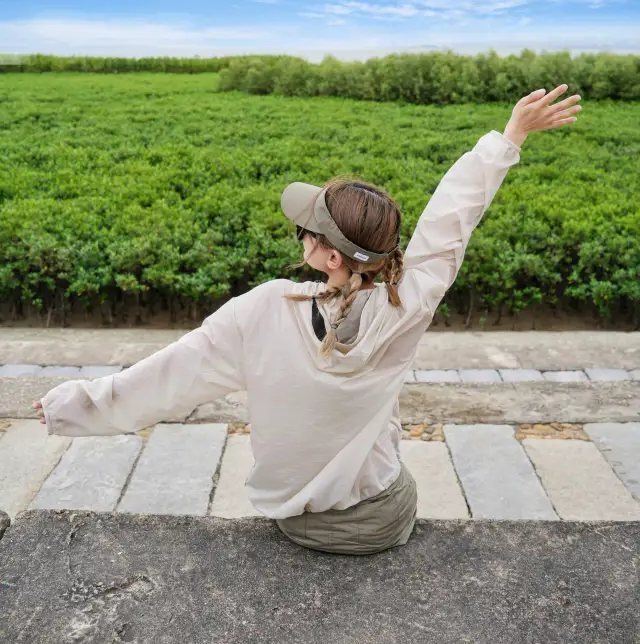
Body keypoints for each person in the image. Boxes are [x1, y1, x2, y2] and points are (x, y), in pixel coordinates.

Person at [33, 84, 582, 555]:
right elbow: (448, 224)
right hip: (384, 520)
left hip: (299, 522)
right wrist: (509, 137)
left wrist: (71, 405)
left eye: (308, 231)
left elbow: (167, 378)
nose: (301, 237)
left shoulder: (265, 309)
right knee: (385, 443)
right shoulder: (407, 305)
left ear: (331, 257)